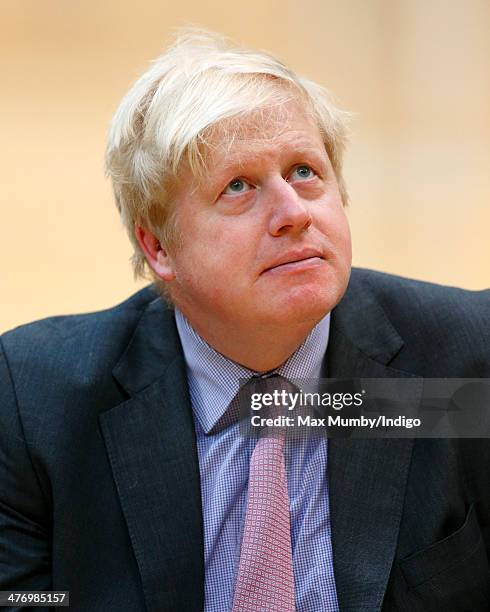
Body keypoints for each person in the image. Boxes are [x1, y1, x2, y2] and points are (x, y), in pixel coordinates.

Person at [1, 30, 489, 612]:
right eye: (239, 187)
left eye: (306, 172)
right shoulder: (38, 400)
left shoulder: (464, 361)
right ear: (159, 247)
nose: (293, 214)